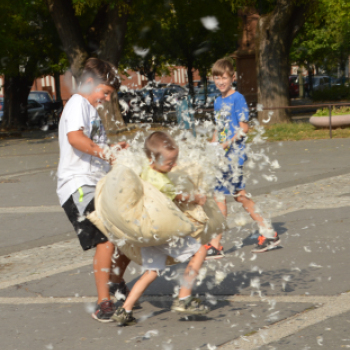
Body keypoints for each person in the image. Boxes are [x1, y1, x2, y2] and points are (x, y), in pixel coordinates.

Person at [56, 57, 131, 323]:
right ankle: (104, 302)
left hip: (96, 183)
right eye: (105, 92)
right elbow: (75, 139)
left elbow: (93, 146)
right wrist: (105, 152)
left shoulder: (91, 109)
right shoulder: (78, 102)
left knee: (127, 233)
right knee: (106, 238)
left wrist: (113, 150)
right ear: (89, 83)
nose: (108, 99)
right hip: (77, 185)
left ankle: (115, 282)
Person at [112, 131, 209, 326]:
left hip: (148, 233)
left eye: (175, 161)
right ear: (152, 159)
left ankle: (125, 310)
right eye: (169, 163)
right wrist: (196, 198)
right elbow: (180, 197)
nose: (173, 165)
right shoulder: (161, 181)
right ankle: (184, 297)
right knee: (199, 252)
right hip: (163, 231)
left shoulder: (144, 172)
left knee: (151, 272)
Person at [205, 58, 280, 256]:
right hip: (222, 156)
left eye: (224, 77)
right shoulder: (218, 101)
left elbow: (244, 128)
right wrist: (212, 146)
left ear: (232, 77)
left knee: (233, 196)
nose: (220, 81)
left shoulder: (237, 98)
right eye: (217, 77)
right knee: (228, 197)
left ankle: (267, 233)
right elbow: (219, 129)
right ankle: (218, 243)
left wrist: (227, 143)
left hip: (233, 156)